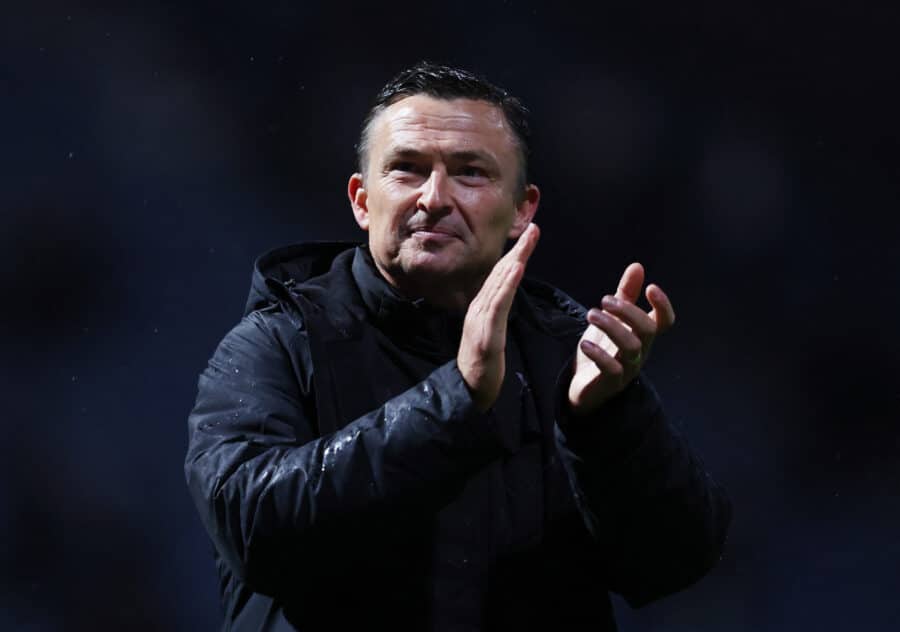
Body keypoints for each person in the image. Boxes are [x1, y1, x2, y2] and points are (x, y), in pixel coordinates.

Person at [185, 61, 731, 631]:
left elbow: (675, 563)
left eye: (470, 173)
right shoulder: (277, 341)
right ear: (362, 200)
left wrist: (606, 420)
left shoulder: (571, 354)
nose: (434, 198)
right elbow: (253, 530)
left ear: (523, 209)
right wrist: (457, 398)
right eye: (407, 170)